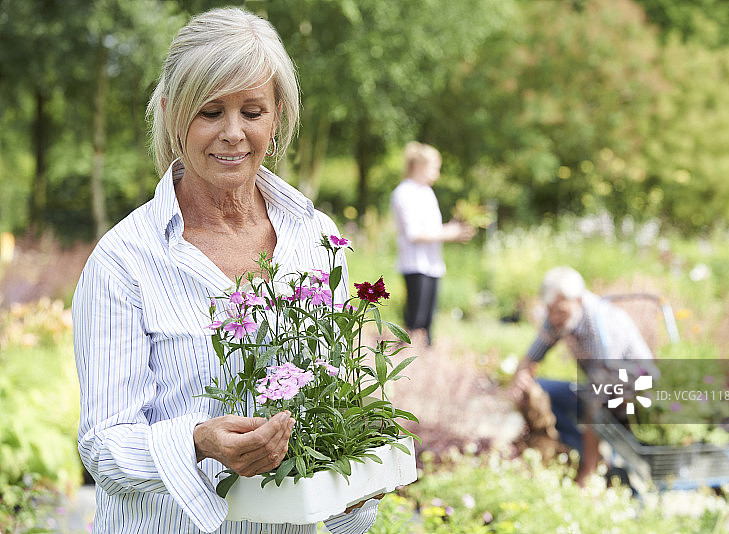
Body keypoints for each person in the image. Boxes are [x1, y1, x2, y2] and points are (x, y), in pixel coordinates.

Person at [73, 8, 378, 533]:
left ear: (276, 116)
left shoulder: (315, 237)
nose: (234, 133)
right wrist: (196, 442)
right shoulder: (124, 260)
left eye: (252, 111)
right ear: (172, 115)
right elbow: (102, 446)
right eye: (210, 112)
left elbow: (334, 404)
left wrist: (356, 489)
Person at [511, 266, 656, 486]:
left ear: (578, 300)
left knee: (591, 404)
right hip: (597, 387)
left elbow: (602, 391)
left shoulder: (602, 324)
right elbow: (531, 357)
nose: (554, 318)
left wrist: (587, 471)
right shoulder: (559, 317)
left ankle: (590, 468)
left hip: (632, 393)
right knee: (539, 389)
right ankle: (574, 450)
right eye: (550, 311)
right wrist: (521, 378)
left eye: (560, 312)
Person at [389, 142, 474, 346]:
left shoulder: (427, 192)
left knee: (428, 324)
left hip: (432, 263)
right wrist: (450, 233)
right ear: (419, 166)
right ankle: (408, 358)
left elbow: (433, 228)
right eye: (434, 167)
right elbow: (414, 234)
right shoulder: (404, 193)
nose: (437, 173)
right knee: (415, 322)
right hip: (415, 264)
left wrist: (455, 228)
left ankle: (424, 358)